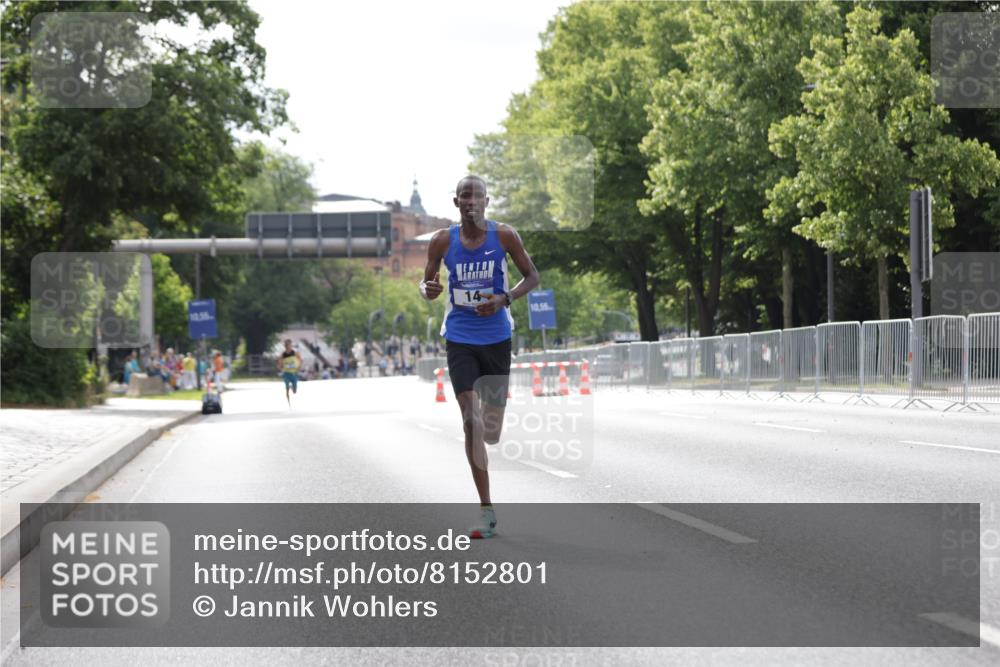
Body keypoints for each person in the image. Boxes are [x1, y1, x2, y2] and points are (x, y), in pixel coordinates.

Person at [419, 174, 539, 538]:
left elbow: (532, 276)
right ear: (456, 203)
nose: (471, 201)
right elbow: (427, 285)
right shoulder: (442, 240)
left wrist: (505, 298)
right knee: (471, 420)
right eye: (464, 196)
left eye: (478, 196)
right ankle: (486, 510)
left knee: (490, 431)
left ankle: (491, 428)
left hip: (497, 337)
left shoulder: (504, 236)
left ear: (488, 201)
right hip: (459, 337)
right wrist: (429, 289)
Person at [276, 339, 302, 404]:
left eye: (289, 345)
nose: (287, 346)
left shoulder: (295, 353)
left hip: (294, 373)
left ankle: (291, 387)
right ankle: (288, 403)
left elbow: (300, 360)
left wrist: (299, 367)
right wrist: (280, 366)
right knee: (287, 388)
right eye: (286, 345)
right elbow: (279, 362)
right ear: (285, 346)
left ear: (291, 345)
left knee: (294, 391)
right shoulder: (283, 354)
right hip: (286, 373)